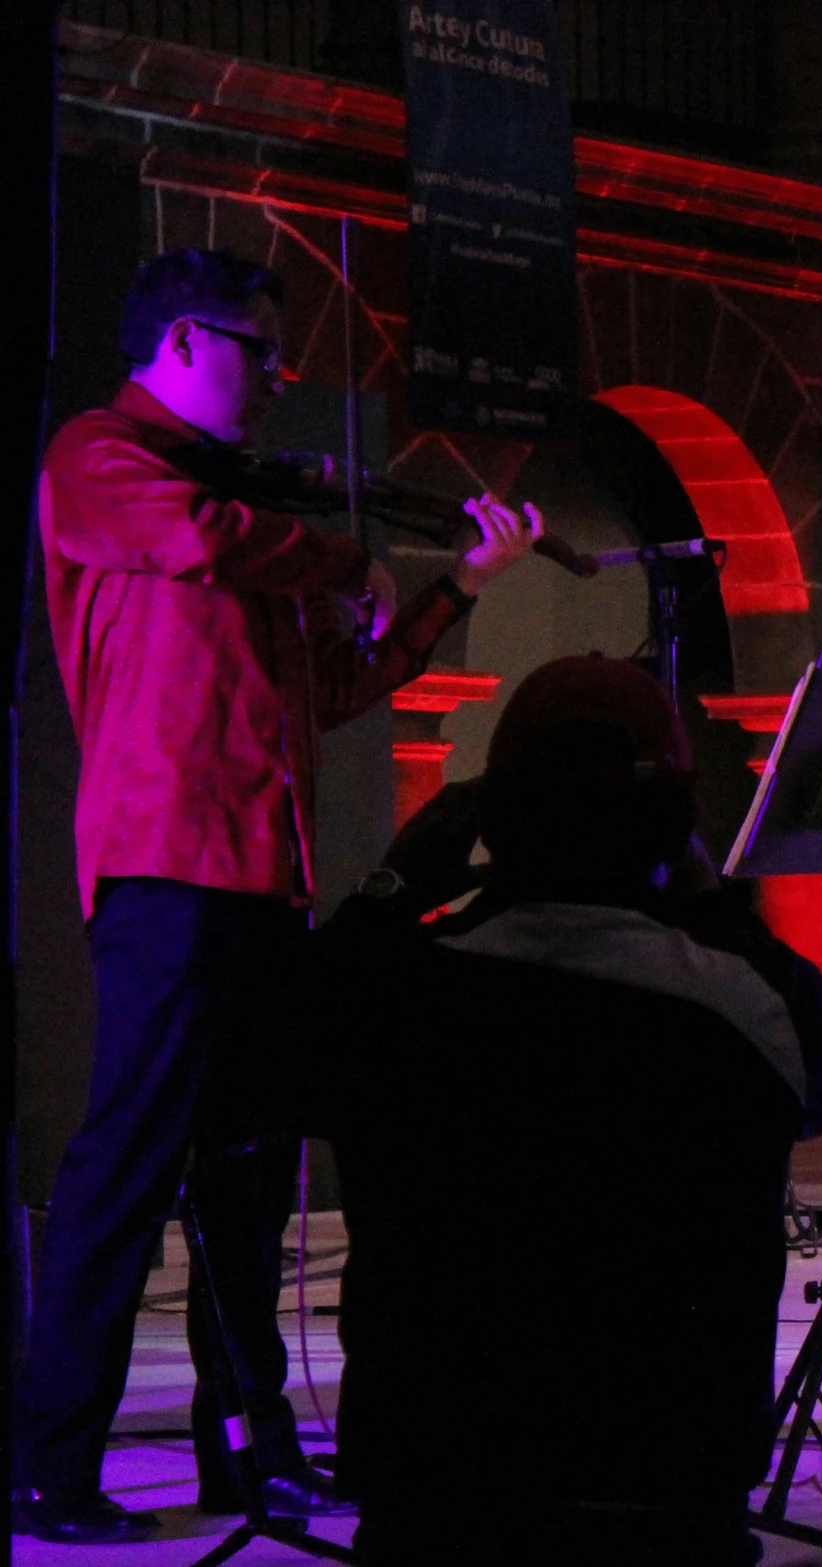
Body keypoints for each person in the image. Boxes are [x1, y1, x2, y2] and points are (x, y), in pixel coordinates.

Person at [13, 248, 541, 1544]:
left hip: (262, 871)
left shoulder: (254, 529)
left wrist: (448, 591)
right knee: (127, 1163)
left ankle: (247, 1451)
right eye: (258, 349)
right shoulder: (102, 455)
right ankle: (52, 1463)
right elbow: (191, 539)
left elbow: (337, 687)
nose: (274, 380)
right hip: (166, 863)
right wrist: (334, 552)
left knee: (249, 1188)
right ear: (183, 342)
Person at [229, 654, 822, 1565]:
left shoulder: (394, 995)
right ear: (673, 824)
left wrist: (393, 884)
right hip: (667, 1507)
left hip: (438, 1502)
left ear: (490, 817)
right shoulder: (746, 1005)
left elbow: (261, 1063)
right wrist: (708, 899)